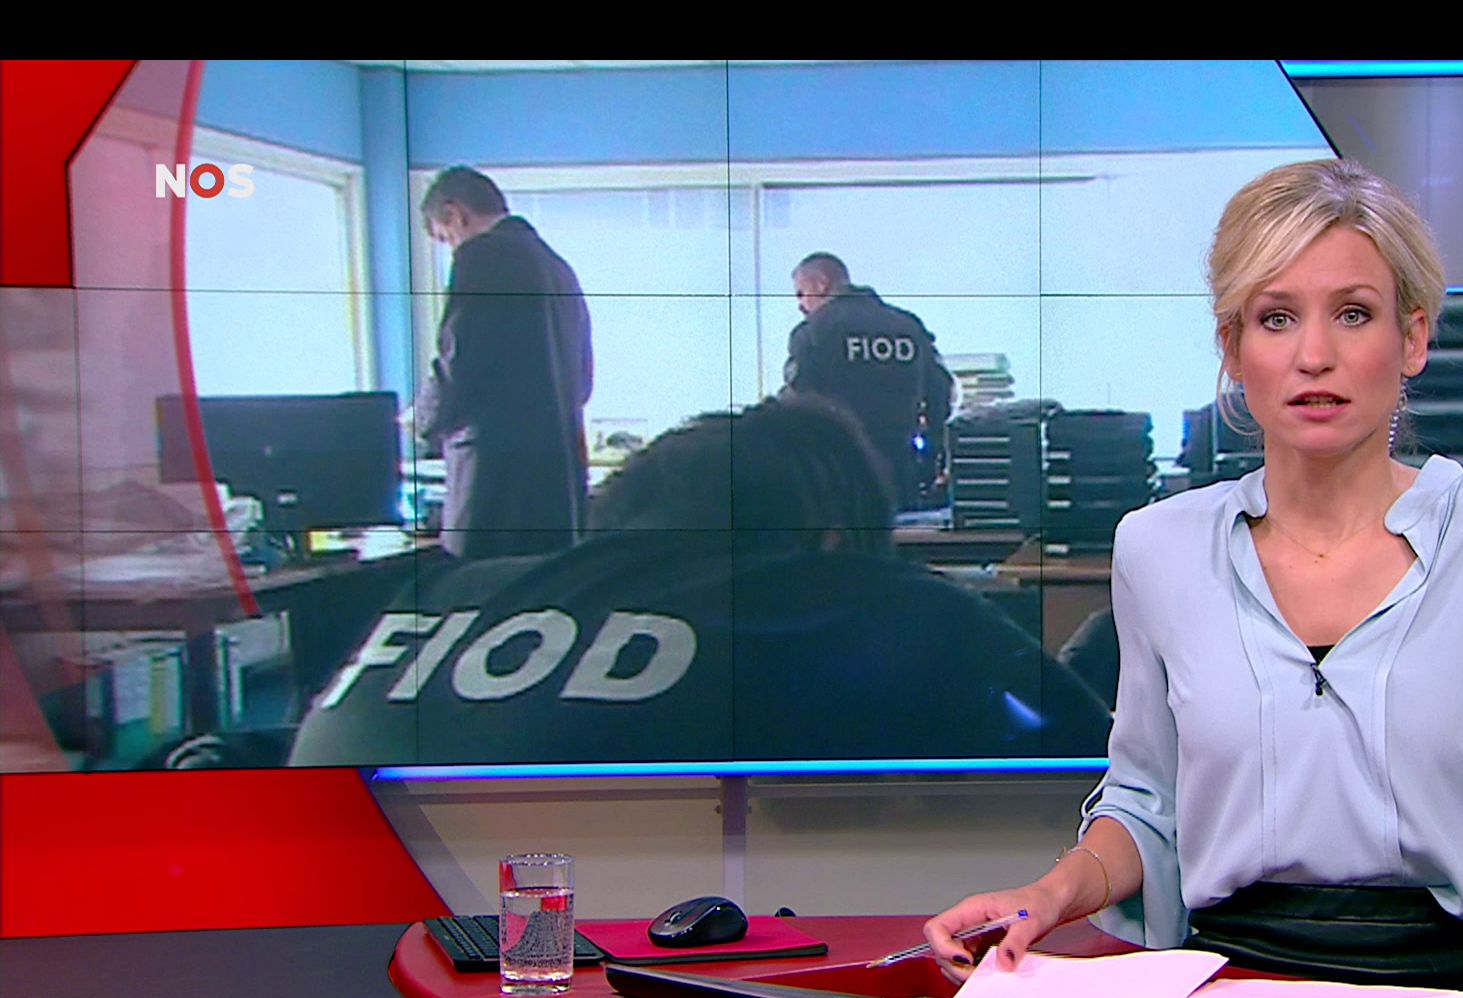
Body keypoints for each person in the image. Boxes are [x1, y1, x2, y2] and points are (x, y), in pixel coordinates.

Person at [926, 159, 1463, 998]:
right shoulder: (1158, 549)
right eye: (1277, 318)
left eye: (1354, 314)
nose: (1315, 356)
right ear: (1234, 350)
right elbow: (1147, 808)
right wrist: (1046, 897)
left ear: (1413, 338)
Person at [288, 396, 1111, 767]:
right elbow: (1100, 774)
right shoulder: (867, 602)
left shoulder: (441, 595)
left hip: (336, 978)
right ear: (833, 541)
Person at [415, 166, 593, 559]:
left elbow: (458, 363)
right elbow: (582, 382)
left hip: (493, 486)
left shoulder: (480, 256)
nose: (451, 248)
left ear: (454, 214)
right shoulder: (559, 268)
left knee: (477, 590)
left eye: (445, 238)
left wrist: (422, 419)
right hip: (557, 486)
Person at [780, 253, 954, 511]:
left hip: (840, 474)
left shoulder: (815, 331)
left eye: (801, 294)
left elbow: (797, 403)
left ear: (821, 284)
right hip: (902, 469)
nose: (801, 306)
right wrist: (933, 458)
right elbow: (940, 392)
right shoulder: (908, 326)